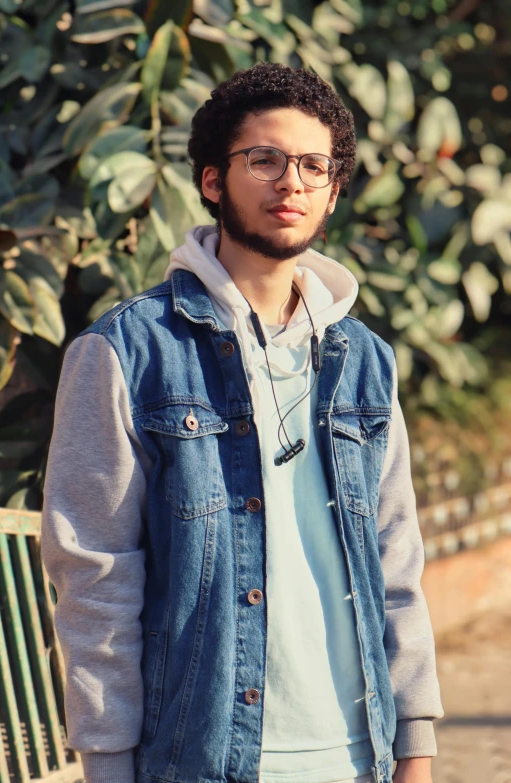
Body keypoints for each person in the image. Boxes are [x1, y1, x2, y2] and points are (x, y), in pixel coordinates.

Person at [41, 62, 443, 783]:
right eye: (265, 158)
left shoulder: (365, 361)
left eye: (314, 165)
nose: (291, 181)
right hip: (202, 759)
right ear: (211, 180)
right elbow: (96, 575)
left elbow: (397, 566)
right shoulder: (127, 352)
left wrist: (415, 743)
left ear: (332, 192)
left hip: (360, 757)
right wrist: (106, 762)